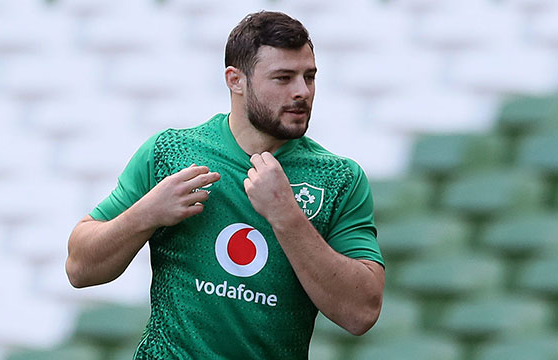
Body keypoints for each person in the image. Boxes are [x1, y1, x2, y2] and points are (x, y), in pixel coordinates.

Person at [65, 10, 385, 359]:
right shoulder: (171, 154)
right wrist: (147, 213)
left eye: (309, 77)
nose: (302, 92)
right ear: (236, 80)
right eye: (283, 78)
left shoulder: (339, 178)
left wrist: (287, 216)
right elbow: (79, 269)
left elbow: (361, 313)